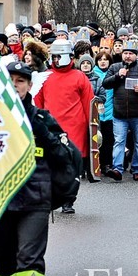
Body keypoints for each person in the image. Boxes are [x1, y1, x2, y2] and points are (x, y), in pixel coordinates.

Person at [0, 64, 63, 276]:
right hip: (0, 200)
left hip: (35, 199)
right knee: (4, 260)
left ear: (30, 86)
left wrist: (40, 130)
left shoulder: (42, 119)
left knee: (30, 261)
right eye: (10, 79)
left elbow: (62, 156)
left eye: (21, 80)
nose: (15, 84)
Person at [34, 40, 95, 213]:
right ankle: (51, 197)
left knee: (71, 165)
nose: (55, 59)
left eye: (58, 56)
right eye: (54, 56)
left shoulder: (79, 77)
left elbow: (89, 104)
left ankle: (68, 200)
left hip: (75, 127)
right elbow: (38, 104)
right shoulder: (44, 77)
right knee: (50, 164)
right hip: (51, 127)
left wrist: (91, 130)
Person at [102, 40, 138, 182]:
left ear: (136, 55)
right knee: (119, 142)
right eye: (125, 53)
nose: (127, 56)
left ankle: (137, 169)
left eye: (131, 53)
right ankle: (117, 169)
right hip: (119, 113)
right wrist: (117, 76)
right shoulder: (115, 67)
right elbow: (105, 84)